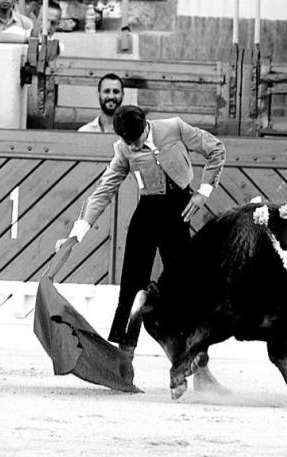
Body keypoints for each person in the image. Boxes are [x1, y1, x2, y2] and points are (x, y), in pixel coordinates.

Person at [55, 106, 226, 360]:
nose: (133, 147)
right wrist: (76, 233)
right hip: (147, 211)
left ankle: (193, 351)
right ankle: (124, 356)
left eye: (135, 140)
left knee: (183, 284)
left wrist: (203, 192)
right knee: (131, 284)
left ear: (146, 126)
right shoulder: (122, 148)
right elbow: (104, 190)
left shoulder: (174, 127)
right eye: (127, 142)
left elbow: (216, 149)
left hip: (179, 210)